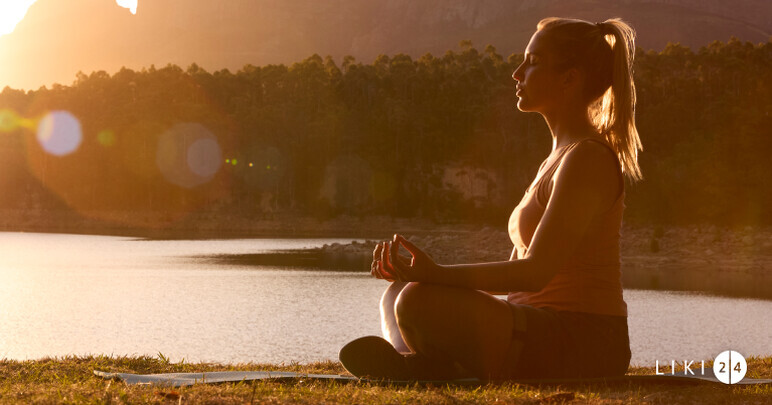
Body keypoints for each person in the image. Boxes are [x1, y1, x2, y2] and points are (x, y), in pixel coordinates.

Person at [339, 17, 642, 381]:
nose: (517, 73)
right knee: (400, 291)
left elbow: (534, 274)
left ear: (569, 79)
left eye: (533, 62)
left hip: (583, 341)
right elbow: (519, 277)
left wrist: (437, 276)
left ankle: (423, 364)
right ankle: (419, 363)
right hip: (530, 329)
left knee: (417, 300)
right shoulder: (557, 157)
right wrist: (423, 277)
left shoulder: (588, 157)